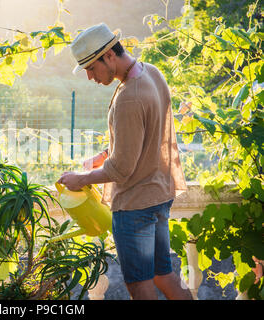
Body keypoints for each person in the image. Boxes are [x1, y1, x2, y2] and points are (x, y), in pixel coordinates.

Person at [58, 23, 193, 300]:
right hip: (158, 194)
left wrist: (79, 179)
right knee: (163, 274)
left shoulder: (128, 96)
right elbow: (149, 132)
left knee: (139, 285)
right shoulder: (150, 73)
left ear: (109, 55)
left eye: (91, 68)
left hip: (135, 206)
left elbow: (122, 168)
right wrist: (105, 154)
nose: (89, 77)